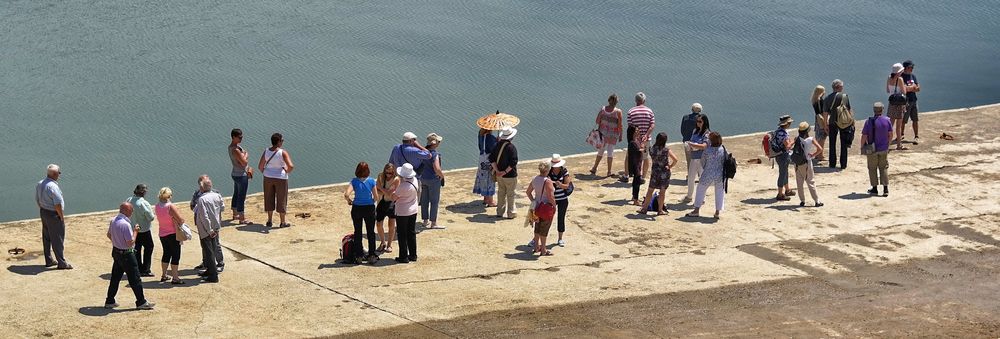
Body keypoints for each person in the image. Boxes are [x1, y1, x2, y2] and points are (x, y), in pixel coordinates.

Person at [104, 202, 155, 310]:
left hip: (116, 252)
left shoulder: (113, 220)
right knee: (135, 279)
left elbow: (109, 235)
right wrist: (136, 231)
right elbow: (130, 242)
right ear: (126, 211)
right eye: (131, 210)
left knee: (115, 278)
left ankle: (110, 300)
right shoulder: (125, 224)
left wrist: (117, 242)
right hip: (127, 254)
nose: (132, 213)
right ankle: (141, 302)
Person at [36, 164, 71, 269]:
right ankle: (61, 262)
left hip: (43, 212)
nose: (59, 175)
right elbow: (57, 204)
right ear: (55, 174)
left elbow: (37, 199)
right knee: (58, 238)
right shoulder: (53, 186)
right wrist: (61, 216)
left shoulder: (40, 183)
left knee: (46, 237)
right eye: (59, 173)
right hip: (53, 214)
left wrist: (43, 209)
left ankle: (49, 259)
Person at [685, 132, 726, 219]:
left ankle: (696, 210)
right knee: (719, 192)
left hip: (708, 174)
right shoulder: (722, 149)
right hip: (720, 175)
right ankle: (717, 212)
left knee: (700, 190)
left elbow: (702, 162)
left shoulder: (707, 151)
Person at [344, 162, 378, 265]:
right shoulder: (371, 181)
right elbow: (376, 197)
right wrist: (371, 201)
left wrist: (350, 201)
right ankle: (372, 255)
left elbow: (346, 194)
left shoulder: (354, 181)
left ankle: (359, 256)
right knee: (370, 232)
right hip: (369, 208)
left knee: (358, 232)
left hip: (357, 208)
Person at [258, 132, 295, 228]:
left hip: (268, 177)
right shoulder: (282, 152)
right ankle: (282, 222)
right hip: (281, 178)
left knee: (269, 197)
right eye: (282, 140)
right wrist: (286, 171)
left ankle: (269, 220)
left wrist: (266, 172)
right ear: (278, 142)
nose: (282, 142)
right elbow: (291, 166)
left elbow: (260, 166)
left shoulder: (266, 151)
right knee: (282, 199)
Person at [639, 132, 678, 215]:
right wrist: (670, 166)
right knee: (662, 192)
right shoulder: (666, 150)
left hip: (655, 172)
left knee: (650, 191)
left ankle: (644, 208)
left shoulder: (652, 149)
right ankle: (660, 210)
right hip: (664, 172)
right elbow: (675, 159)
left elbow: (644, 150)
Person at [191, 175, 223, 272]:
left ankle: (220, 262)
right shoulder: (197, 194)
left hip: (213, 222)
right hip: (201, 222)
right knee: (204, 244)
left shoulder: (216, 193)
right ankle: (206, 262)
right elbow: (192, 205)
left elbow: (221, 207)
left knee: (216, 244)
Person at [861, 102, 894, 197]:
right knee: (883, 167)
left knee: (872, 168)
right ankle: (885, 189)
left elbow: (864, 136)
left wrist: (862, 146)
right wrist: (888, 144)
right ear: (882, 110)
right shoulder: (887, 120)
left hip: (872, 149)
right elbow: (890, 134)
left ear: (873, 110)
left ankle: (874, 189)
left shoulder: (868, 122)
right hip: (883, 148)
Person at [155, 187, 185, 284]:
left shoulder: (157, 206)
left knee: (166, 253)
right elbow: (180, 220)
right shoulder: (170, 206)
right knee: (176, 255)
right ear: (169, 196)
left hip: (162, 233)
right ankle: (175, 277)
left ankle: (164, 275)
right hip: (173, 233)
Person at [822, 79, 855, 169]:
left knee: (832, 143)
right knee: (843, 143)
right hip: (844, 122)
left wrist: (825, 124)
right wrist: (852, 121)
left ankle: (832, 163)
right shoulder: (845, 97)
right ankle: (843, 164)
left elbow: (825, 113)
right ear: (839, 87)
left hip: (832, 122)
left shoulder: (827, 98)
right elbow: (848, 110)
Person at [124, 184, 156, 277]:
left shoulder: (128, 200)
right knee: (149, 248)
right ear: (144, 192)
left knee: (136, 249)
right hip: (144, 230)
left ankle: (138, 268)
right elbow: (151, 217)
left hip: (133, 230)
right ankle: (146, 269)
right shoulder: (144, 203)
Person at [526, 161, 556, 256]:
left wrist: (534, 201)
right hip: (545, 208)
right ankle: (543, 249)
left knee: (537, 227)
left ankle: (536, 247)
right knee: (544, 229)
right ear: (548, 170)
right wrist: (554, 206)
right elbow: (551, 197)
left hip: (536, 207)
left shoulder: (535, 179)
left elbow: (528, 192)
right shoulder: (548, 181)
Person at [392, 163, 420, 263]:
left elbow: (394, 197)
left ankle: (403, 256)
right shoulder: (415, 181)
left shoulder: (402, 186)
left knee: (402, 234)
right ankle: (413, 255)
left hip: (403, 212)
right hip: (413, 210)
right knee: (411, 233)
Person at [589, 94, 623, 177]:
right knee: (610, 153)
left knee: (600, 151)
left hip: (602, 134)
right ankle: (609, 172)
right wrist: (621, 135)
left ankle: (594, 168)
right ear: (616, 102)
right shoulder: (618, 112)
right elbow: (620, 125)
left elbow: (597, 121)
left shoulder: (603, 109)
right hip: (613, 135)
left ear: (609, 100)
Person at [490, 128, 519, 219]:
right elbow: (513, 162)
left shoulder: (497, 145)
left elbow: (492, 159)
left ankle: (499, 212)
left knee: (501, 193)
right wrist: (505, 172)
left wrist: (498, 171)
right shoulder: (511, 147)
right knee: (510, 194)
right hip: (510, 176)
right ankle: (511, 213)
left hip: (499, 176)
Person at [793, 122, 824, 207]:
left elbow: (789, 147)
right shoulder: (810, 139)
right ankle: (817, 201)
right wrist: (813, 155)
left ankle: (802, 201)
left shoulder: (797, 138)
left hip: (797, 163)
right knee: (810, 182)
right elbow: (820, 149)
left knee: (799, 183)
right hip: (807, 162)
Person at [419, 133, 446, 229]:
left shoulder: (423, 153)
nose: (439, 143)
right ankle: (433, 223)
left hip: (423, 178)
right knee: (434, 201)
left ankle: (425, 220)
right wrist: (442, 176)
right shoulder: (435, 154)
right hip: (433, 180)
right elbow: (437, 168)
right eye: (438, 142)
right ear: (434, 144)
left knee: (424, 200)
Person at [683, 114, 710, 204]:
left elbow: (704, 146)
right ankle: (689, 196)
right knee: (691, 178)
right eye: (697, 121)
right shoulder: (695, 131)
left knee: (702, 179)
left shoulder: (707, 133)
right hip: (694, 157)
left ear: (704, 122)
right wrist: (690, 146)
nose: (698, 123)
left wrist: (692, 145)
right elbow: (692, 141)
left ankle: (702, 198)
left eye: (700, 122)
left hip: (702, 159)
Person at [627, 92, 655, 179]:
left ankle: (628, 174)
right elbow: (652, 125)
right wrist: (646, 135)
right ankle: (643, 177)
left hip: (634, 140)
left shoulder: (631, 111)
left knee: (630, 156)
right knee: (645, 157)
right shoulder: (650, 111)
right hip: (646, 139)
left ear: (635, 100)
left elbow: (631, 127)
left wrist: (636, 137)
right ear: (644, 100)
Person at [547, 154, 573, 247]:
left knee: (561, 218)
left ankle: (560, 238)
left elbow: (567, 185)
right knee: (547, 218)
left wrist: (560, 185)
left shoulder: (564, 171)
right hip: (551, 199)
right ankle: (538, 237)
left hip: (562, 199)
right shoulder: (548, 172)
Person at [229, 128, 252, 224]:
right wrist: (246, 154)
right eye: (239, 137)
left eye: (242, 137)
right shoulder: (236, 150)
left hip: (235, 173)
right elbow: (244, 162)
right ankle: (242, 218)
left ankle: (235, 214)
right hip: (241, 175)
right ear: (233, 137)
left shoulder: (231, 147)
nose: (241, 139)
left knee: (236, 194)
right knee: (241, 196)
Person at [374, 163, 399, 254]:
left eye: (391, 173)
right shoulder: (380, 176)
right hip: (381, 203)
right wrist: (382, 190)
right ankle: (382, 242)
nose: (388, 175)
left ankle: (389, 245)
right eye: (387, 173)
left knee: (391, 225)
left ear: (393, 172)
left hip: (392, 203)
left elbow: (389, 192)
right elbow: (377, 190)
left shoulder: (396, 179)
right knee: (378, 224)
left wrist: (381, 188)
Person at [680, 103, 708, 180]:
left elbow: (682, 130)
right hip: (700, 142)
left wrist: (686, 138)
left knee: (689, 159)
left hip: (688, 142)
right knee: (701, 159)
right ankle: (701, 175)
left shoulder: (685, 117)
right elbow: (706, 130)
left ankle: (690, 176)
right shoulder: (702, 119)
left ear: (692, 109)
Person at [886, 63, 909, 151]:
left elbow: (887, 90)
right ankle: (899, 145)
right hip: (899, 104)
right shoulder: (900, 79)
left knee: (890, 125)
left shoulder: (888, 77)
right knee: (898, 127)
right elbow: (904, 92)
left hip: (892, 103)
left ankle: (887, 144)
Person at [474, 129, 498, 207]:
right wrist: (498, 141)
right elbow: (495, 150)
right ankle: (490, 201)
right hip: (489, 162)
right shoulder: (491, 138)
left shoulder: (480, 136)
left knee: (483, 178)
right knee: (490, 180)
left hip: (481, 161)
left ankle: (485, 198)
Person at [774, 115, 795, 201]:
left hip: (778, 155)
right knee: (782, 174)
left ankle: (787, 189)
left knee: (785, 172)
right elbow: (788, 146)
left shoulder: (777, 131)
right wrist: (794, 141)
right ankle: (780, 194)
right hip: (783, 156)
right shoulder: (783, 134)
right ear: (787, 124)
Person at [901, 60, 921, 144]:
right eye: (910, 67)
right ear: (905, 68)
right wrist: (913, 87)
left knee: (915, 119)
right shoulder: (901, 77)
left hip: (914, 100)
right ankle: (901, 134)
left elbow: (918, 88)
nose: (912, 69)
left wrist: (911, 88)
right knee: (903, 120)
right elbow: (904, 89)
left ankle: (916, 136)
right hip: (906, 101)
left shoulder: (913, 76)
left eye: (912, 67)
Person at [626, 125, 643, 206]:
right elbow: (638, 151)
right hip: (635, 164)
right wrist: (643, 148)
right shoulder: (632, 143)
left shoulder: (634, 141)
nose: (637, 131)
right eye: (636, 130)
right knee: (637, 182)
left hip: (637, 163)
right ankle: (636, 200)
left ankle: (634, 197)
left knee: (636, 181)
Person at [811, 85, 827, 163]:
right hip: (821, 120)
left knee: (818, 137)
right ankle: (820, 155)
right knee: (822, 138)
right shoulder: (820, 101)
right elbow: (824, 112)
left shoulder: (814, 100)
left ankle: (818, 154)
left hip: (817, 120)